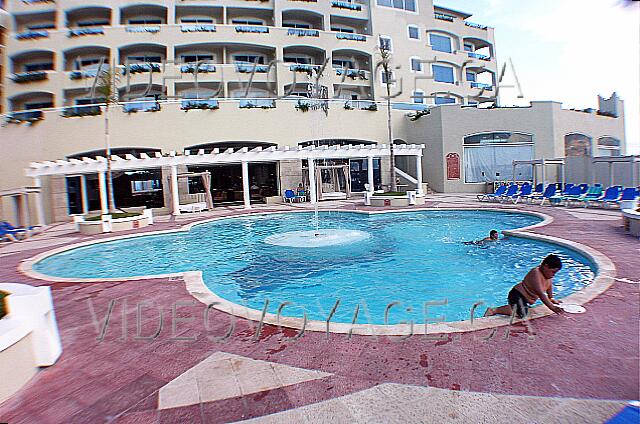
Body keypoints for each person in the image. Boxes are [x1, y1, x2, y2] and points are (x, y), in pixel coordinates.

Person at [485, 254, 564, 318]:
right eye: (553, 272)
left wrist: (551, 298)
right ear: (545, 266)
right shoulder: (536, 272)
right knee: (522, 313)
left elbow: (549, 287)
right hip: (517, 294)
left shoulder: (548, 276)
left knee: (523, 310)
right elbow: (541, 293)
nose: (553, 275)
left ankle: (518, 306)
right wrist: (552, 308)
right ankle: (494, 310)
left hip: (525, 300)